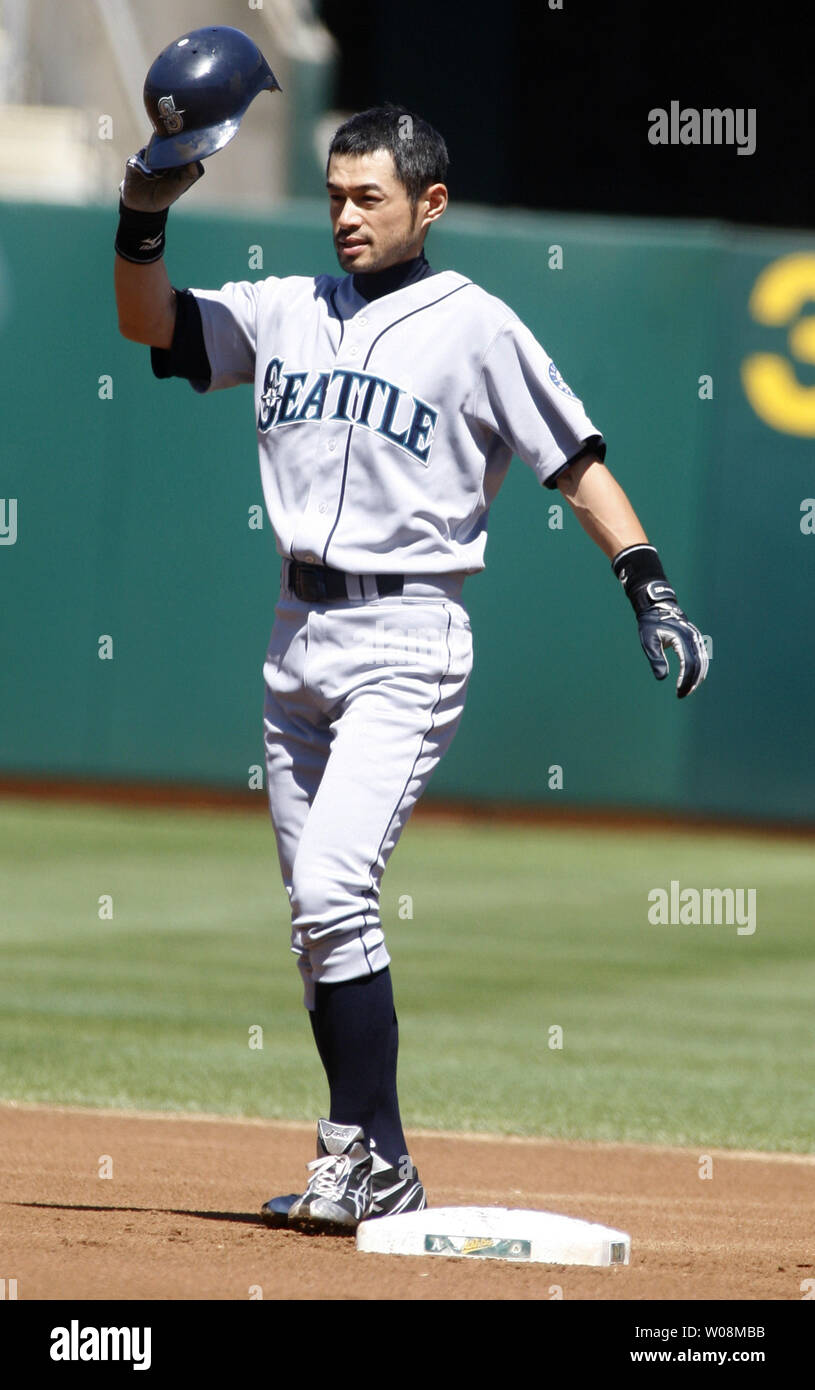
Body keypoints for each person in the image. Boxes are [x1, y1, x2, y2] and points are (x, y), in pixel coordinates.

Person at [114, 104, 708, 1236]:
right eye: (334, 194)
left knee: (335, 888)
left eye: (367, 196)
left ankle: (354, 1155)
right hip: (295, 633)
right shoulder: (284, 308)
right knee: (315, 918)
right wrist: (144, 211)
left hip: (407, 637)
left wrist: (646, 582)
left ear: (427, 204)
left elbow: (575, 464)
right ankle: (380, 1157)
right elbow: (147, 323)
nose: (344, 214)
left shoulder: (475, 326)